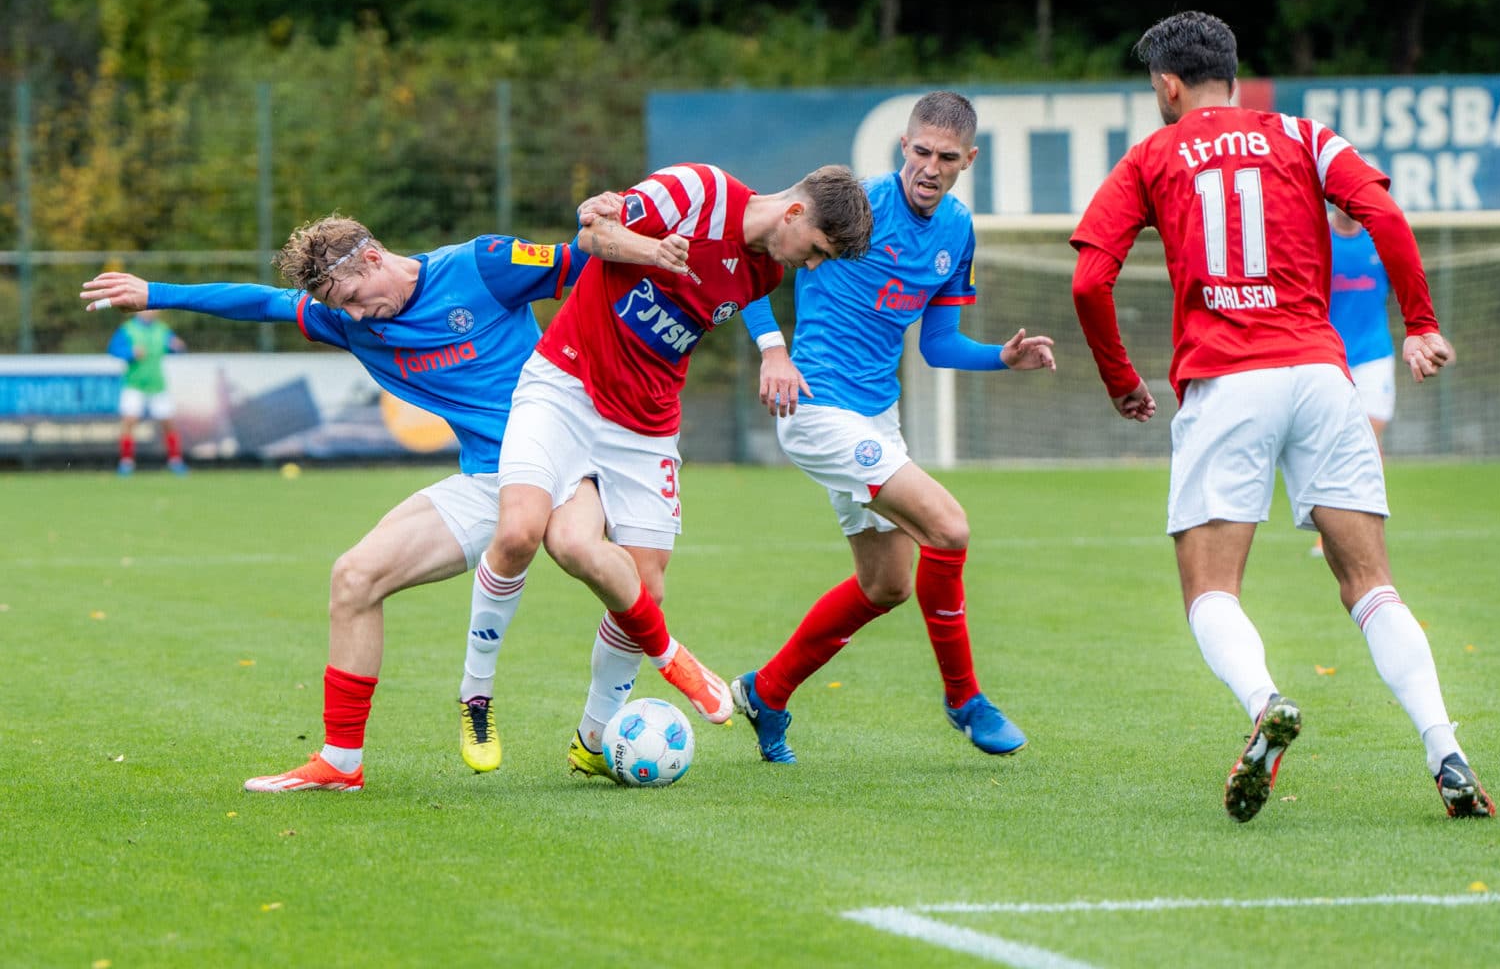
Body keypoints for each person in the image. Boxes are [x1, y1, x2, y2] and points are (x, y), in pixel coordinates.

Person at [1069, 11, 1493, 821]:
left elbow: (1090, 283)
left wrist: (1121, 379)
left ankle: (1266, 704)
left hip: (1229, 384)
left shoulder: (1153, 154)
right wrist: (1423, 322)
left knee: (1210, 590)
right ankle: (1445, 748)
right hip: (1322, 378)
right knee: (1371, 586)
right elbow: (1387, 218)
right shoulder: (1306, 136)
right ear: (1231, 72)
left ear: (1167, 84)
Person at [82, 216, 589, 791]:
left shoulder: (480, 266)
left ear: (373, 259)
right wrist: (155, 294)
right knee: (353, 578)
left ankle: (610, 725)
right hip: (488, 482)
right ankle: (341, 762)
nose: (349, 316)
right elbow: (260, 303)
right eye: (335, 306)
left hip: (574, 457)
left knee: (627, 578)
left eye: (350, 298)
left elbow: (590, 263)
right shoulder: (344, 319)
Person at [487, 162, 873, 783]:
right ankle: (486, 694)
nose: (815, 265)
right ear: (795, 214)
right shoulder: (700, 190)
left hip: (649, 418)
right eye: (820, 250)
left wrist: (773, 348)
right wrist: (647, 248)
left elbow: (736, 296)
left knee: (647, 587)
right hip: (574, 384)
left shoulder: (768, 268)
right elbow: (594, 237)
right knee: (555, 542)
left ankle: (592, 738)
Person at [727, 91, 1056, 764]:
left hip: (877, 416)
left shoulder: (957, 230)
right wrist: (773, 350)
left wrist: (1002, 357)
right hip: (817, 408)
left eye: (946, 158)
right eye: (920, 152)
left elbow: (938, 345)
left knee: (887, 585)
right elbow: (749, 252)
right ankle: (965, 700)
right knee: (950, 528)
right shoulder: (855, 205)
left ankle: (768, 691)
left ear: (970, 159)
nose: (929, 168)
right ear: (903, 147)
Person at [1310, 205, 1454, 556]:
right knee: (1331, 444)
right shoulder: (1318, 239)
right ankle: (1328, 530)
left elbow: (1409, 288)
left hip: (1374, 356)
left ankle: (1368, 524)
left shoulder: (1379, 241)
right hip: (1329, 356)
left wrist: (1428, 333)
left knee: (1368, 440)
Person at [108, 310, 188, 475]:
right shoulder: (128, 329)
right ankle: (126, 462)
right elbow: (113, 349)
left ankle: (175, 461)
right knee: (129, 422)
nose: (152, 312)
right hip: (134, 383)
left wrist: (178, 347)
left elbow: (175, 347)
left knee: (168, 423)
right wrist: (130, 353)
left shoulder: (162, 329)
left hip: (157, 384)